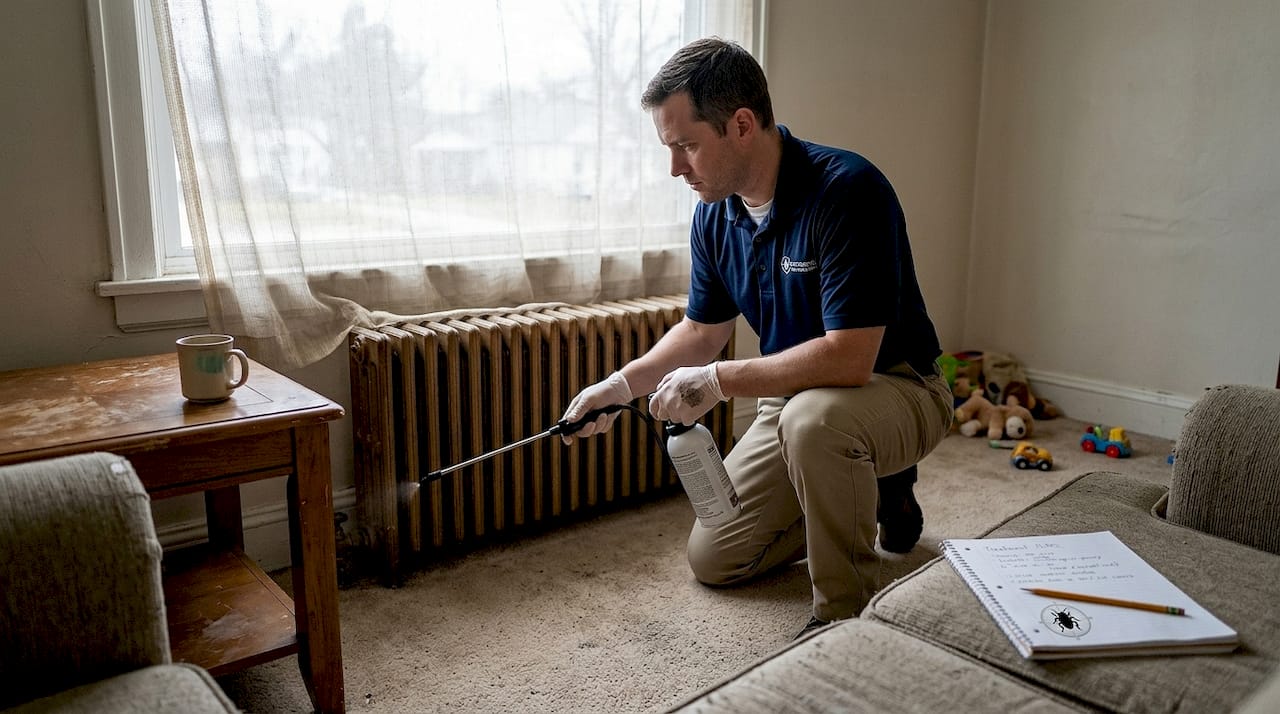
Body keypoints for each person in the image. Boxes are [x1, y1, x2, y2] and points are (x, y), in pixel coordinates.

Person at [560, 37, 953, 638]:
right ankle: (872, 492)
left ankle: (843, 620)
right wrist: (616, 387)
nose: (675, 169)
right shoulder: (715, 215)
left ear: (741, 124)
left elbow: (849, 359)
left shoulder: (848, 191)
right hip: (798, 402)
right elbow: (701, 330)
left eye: (687, 145)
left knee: (816, 425)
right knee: (715, 557)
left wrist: (716, 382)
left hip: (897, 387)